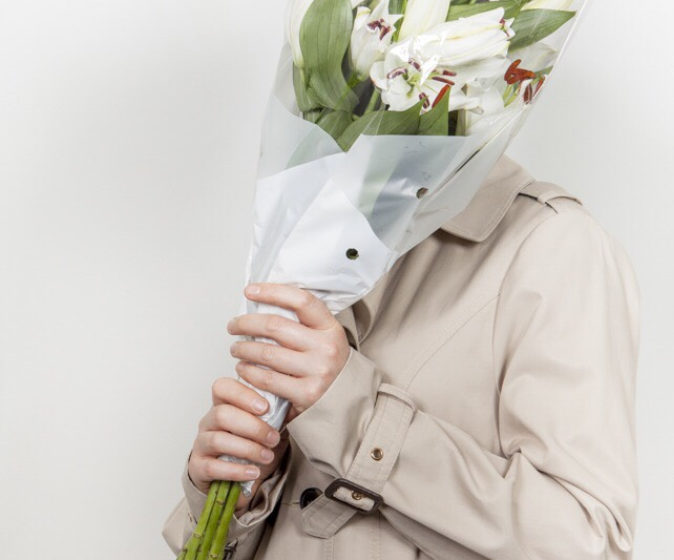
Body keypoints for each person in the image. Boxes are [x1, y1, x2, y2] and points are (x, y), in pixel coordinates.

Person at [162, 154, 640, 559]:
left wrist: (354, 418)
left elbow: (586, 540)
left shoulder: (551, 245)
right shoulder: (319, 235)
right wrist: (235, 492)